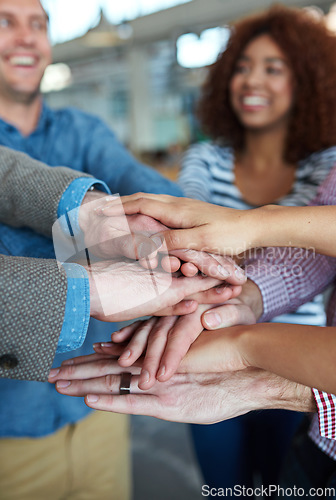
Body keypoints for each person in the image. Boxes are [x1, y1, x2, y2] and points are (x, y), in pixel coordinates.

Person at [0, 1, 245, 498]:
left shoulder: (82, 131)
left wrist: (185, 253)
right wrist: (98, 263)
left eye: (38, 24)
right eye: (5, 21)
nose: (26, 37)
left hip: (98, 405)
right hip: (9, 425)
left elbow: (153, 196)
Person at [95, 4, 336, 490]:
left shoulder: (324, 161)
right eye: (243, 67)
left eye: (273, 68)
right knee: (225, 483)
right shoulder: (207, 157)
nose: (252, 81)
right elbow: (200, 239)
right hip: (209, 332)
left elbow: (218, 242)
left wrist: (245, 232)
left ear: (306, 80)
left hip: (297, 354)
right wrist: (237, 292)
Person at [50, 163, 336, 493]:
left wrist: (246, 350)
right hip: (321, 442)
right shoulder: (205, 160)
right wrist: (244, 296)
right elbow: (322, 246)